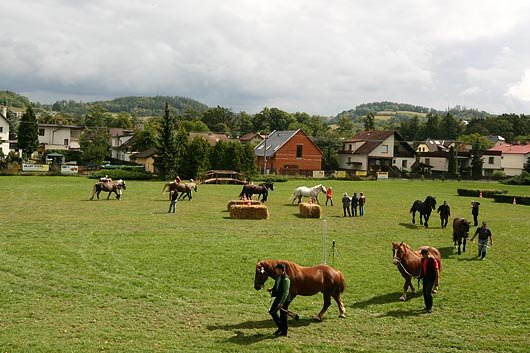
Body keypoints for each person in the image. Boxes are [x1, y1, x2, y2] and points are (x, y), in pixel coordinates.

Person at [268, 263, 291, 337]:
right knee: (272, 312)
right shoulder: (278, 276)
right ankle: (281, 327)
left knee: (283, 315)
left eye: (277, 269)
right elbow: (277, 284)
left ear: (281, 270)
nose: (276, 270)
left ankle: (284, 331)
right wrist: (272, 289)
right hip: (279, 297)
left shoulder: (286, 279)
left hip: (284, 300)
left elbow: (286, 292)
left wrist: (281, 303)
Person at [419, 248, 440, 313]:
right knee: (424, 292)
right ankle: (427, 306)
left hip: (431, 278)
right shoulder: (422, 260)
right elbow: (422, 269)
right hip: (425, 278)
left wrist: (437, 281)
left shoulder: (433, 260)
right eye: (422, 254)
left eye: (423, 254)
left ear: (427, 253)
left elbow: (437, 270)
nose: (422, 255)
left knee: (428, 292)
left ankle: (430, 307)